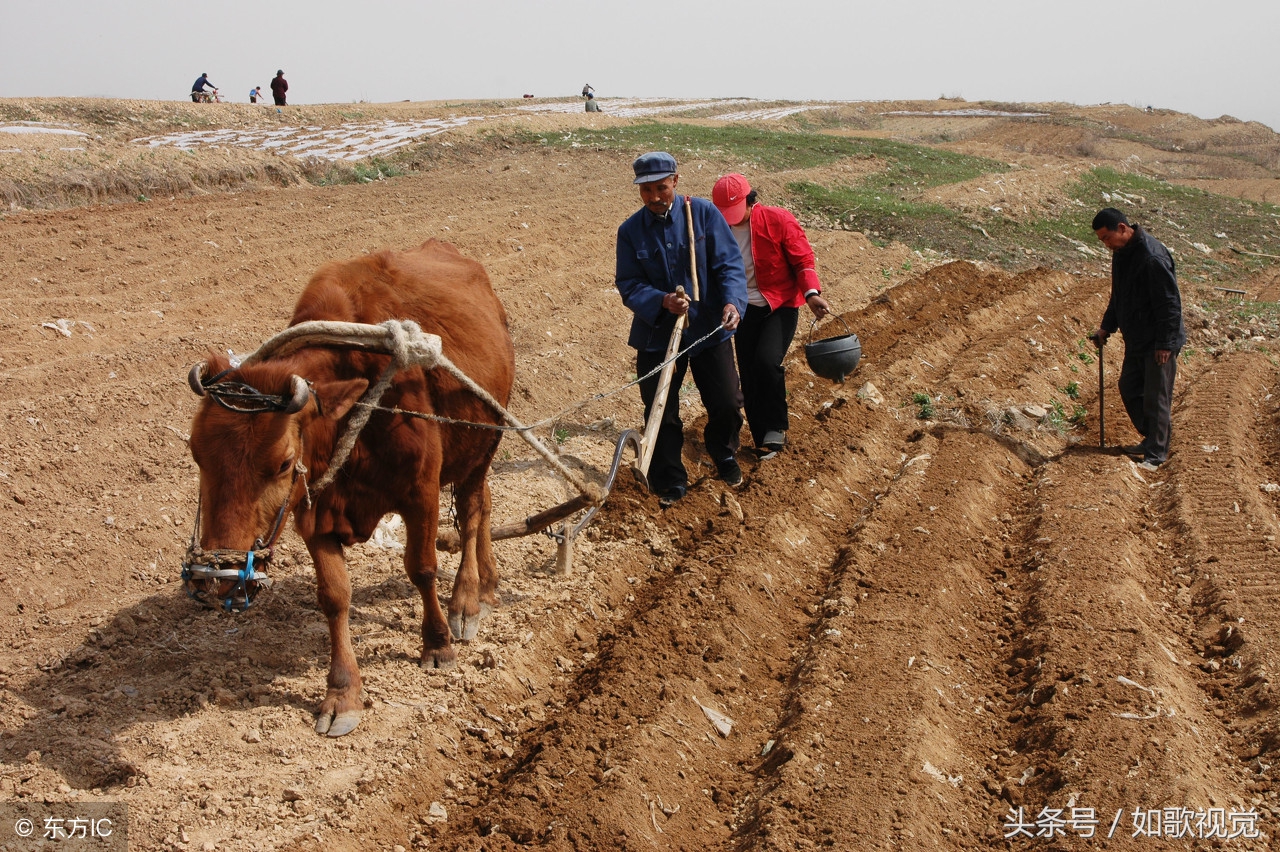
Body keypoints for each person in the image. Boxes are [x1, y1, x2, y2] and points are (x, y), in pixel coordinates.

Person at [616, 152, 748, 503]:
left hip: (707, 328)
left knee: (725, 401)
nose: (655, 197)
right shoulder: (630, 232)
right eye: (646, 191)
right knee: (661, 409)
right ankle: (670, 478)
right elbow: (628, 283)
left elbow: (729, 265)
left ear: (675, 180)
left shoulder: (703, 214)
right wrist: (662, 301)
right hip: (656, 332)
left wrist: (733, 301)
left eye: (661, 187)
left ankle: (723, 451)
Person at [712, 174, 831, 457]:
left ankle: (776, 428)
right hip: (743, 309)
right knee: (749, 374)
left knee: (766, 362)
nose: (731, 218)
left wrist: (812, 293)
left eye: (735, 211)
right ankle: (760, 437)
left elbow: (803, 260)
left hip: (780, 305)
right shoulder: (719, 229)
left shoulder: (778, 220)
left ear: (750, 201)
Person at [1091, 207, 1186, 470]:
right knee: (1129, 387)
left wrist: (1166, 343)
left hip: (1157, 341)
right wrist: (1106, 327)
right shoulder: (1121, 254)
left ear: (1122, 228)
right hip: (1137, 338)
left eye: (1106, 238)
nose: (1106, 244)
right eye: (1101, 241)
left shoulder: (1152, 257)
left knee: (1157, 396)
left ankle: (1156, 453)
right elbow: (1119, 295)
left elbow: (1170, 303)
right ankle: (1155, 436)